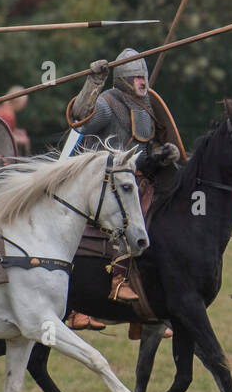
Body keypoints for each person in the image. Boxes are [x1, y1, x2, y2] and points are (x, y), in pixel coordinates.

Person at [66, 48, 185, 304]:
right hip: (101, 179)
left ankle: (146, 303)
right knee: (133, 214)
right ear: (122, 80)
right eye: (136, 78)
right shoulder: (108, 104)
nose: (142, 82)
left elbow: (141, 154)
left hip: (132, 177)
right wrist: (94, 82)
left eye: (143, 77)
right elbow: (79, 119)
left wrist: (160, 156)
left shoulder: (148, 108)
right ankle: (119, 279)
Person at [0, 85, 31, 154]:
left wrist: (17, 131)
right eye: (24, 102)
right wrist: (22, 140)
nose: (24, 105)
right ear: (18, 101)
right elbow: (5, 136)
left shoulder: (3, 108)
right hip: (3, 150)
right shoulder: (8, 114)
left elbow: (6, 129)